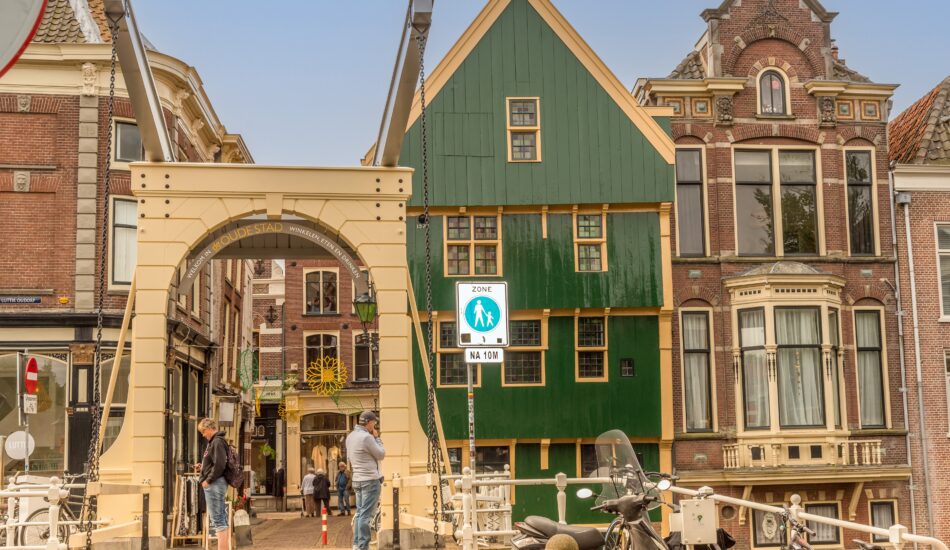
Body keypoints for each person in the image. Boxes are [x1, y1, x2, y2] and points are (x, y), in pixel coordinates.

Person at [345, 411, 385, 550]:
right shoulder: (367, 438)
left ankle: (356, 544)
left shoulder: (350, 437)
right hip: (370, 480)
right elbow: (381, 454)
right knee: (366, 516)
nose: (375, 425)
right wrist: (377, 438)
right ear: (368, 422)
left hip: (357, 479)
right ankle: (363, 546)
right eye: (374, 422)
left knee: (360, 513)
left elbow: (350, 459)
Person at [197, 418, 231, 550]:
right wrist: (202, 467)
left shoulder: (216, 442)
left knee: (218, 521)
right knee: (221, 519)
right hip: (216, 483)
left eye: (203, 431)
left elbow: (220, 465)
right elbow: (215, 463)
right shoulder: (216, 441)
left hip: (215, 484)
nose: (203, 434)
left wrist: (208, 480)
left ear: (209, 428)